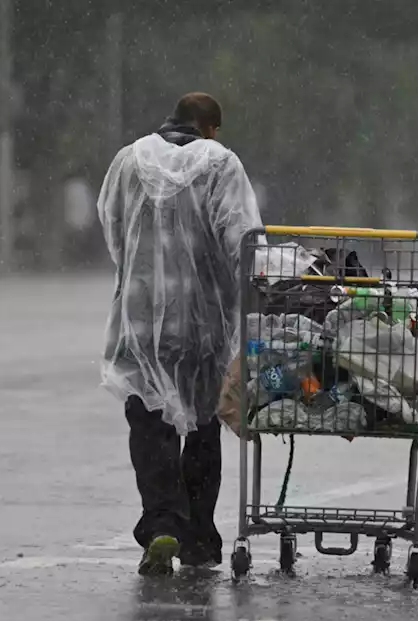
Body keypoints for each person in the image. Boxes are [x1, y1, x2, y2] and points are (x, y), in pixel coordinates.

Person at [97, 93, 263, 575]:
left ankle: (163, 520)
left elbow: (112, 227)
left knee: (151, 423)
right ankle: (198, 537)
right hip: (202, 324)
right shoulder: (219, 163)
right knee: (203, 425)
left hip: (141, 322)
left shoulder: (128, 161)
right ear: (210, 127)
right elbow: (242, 237)